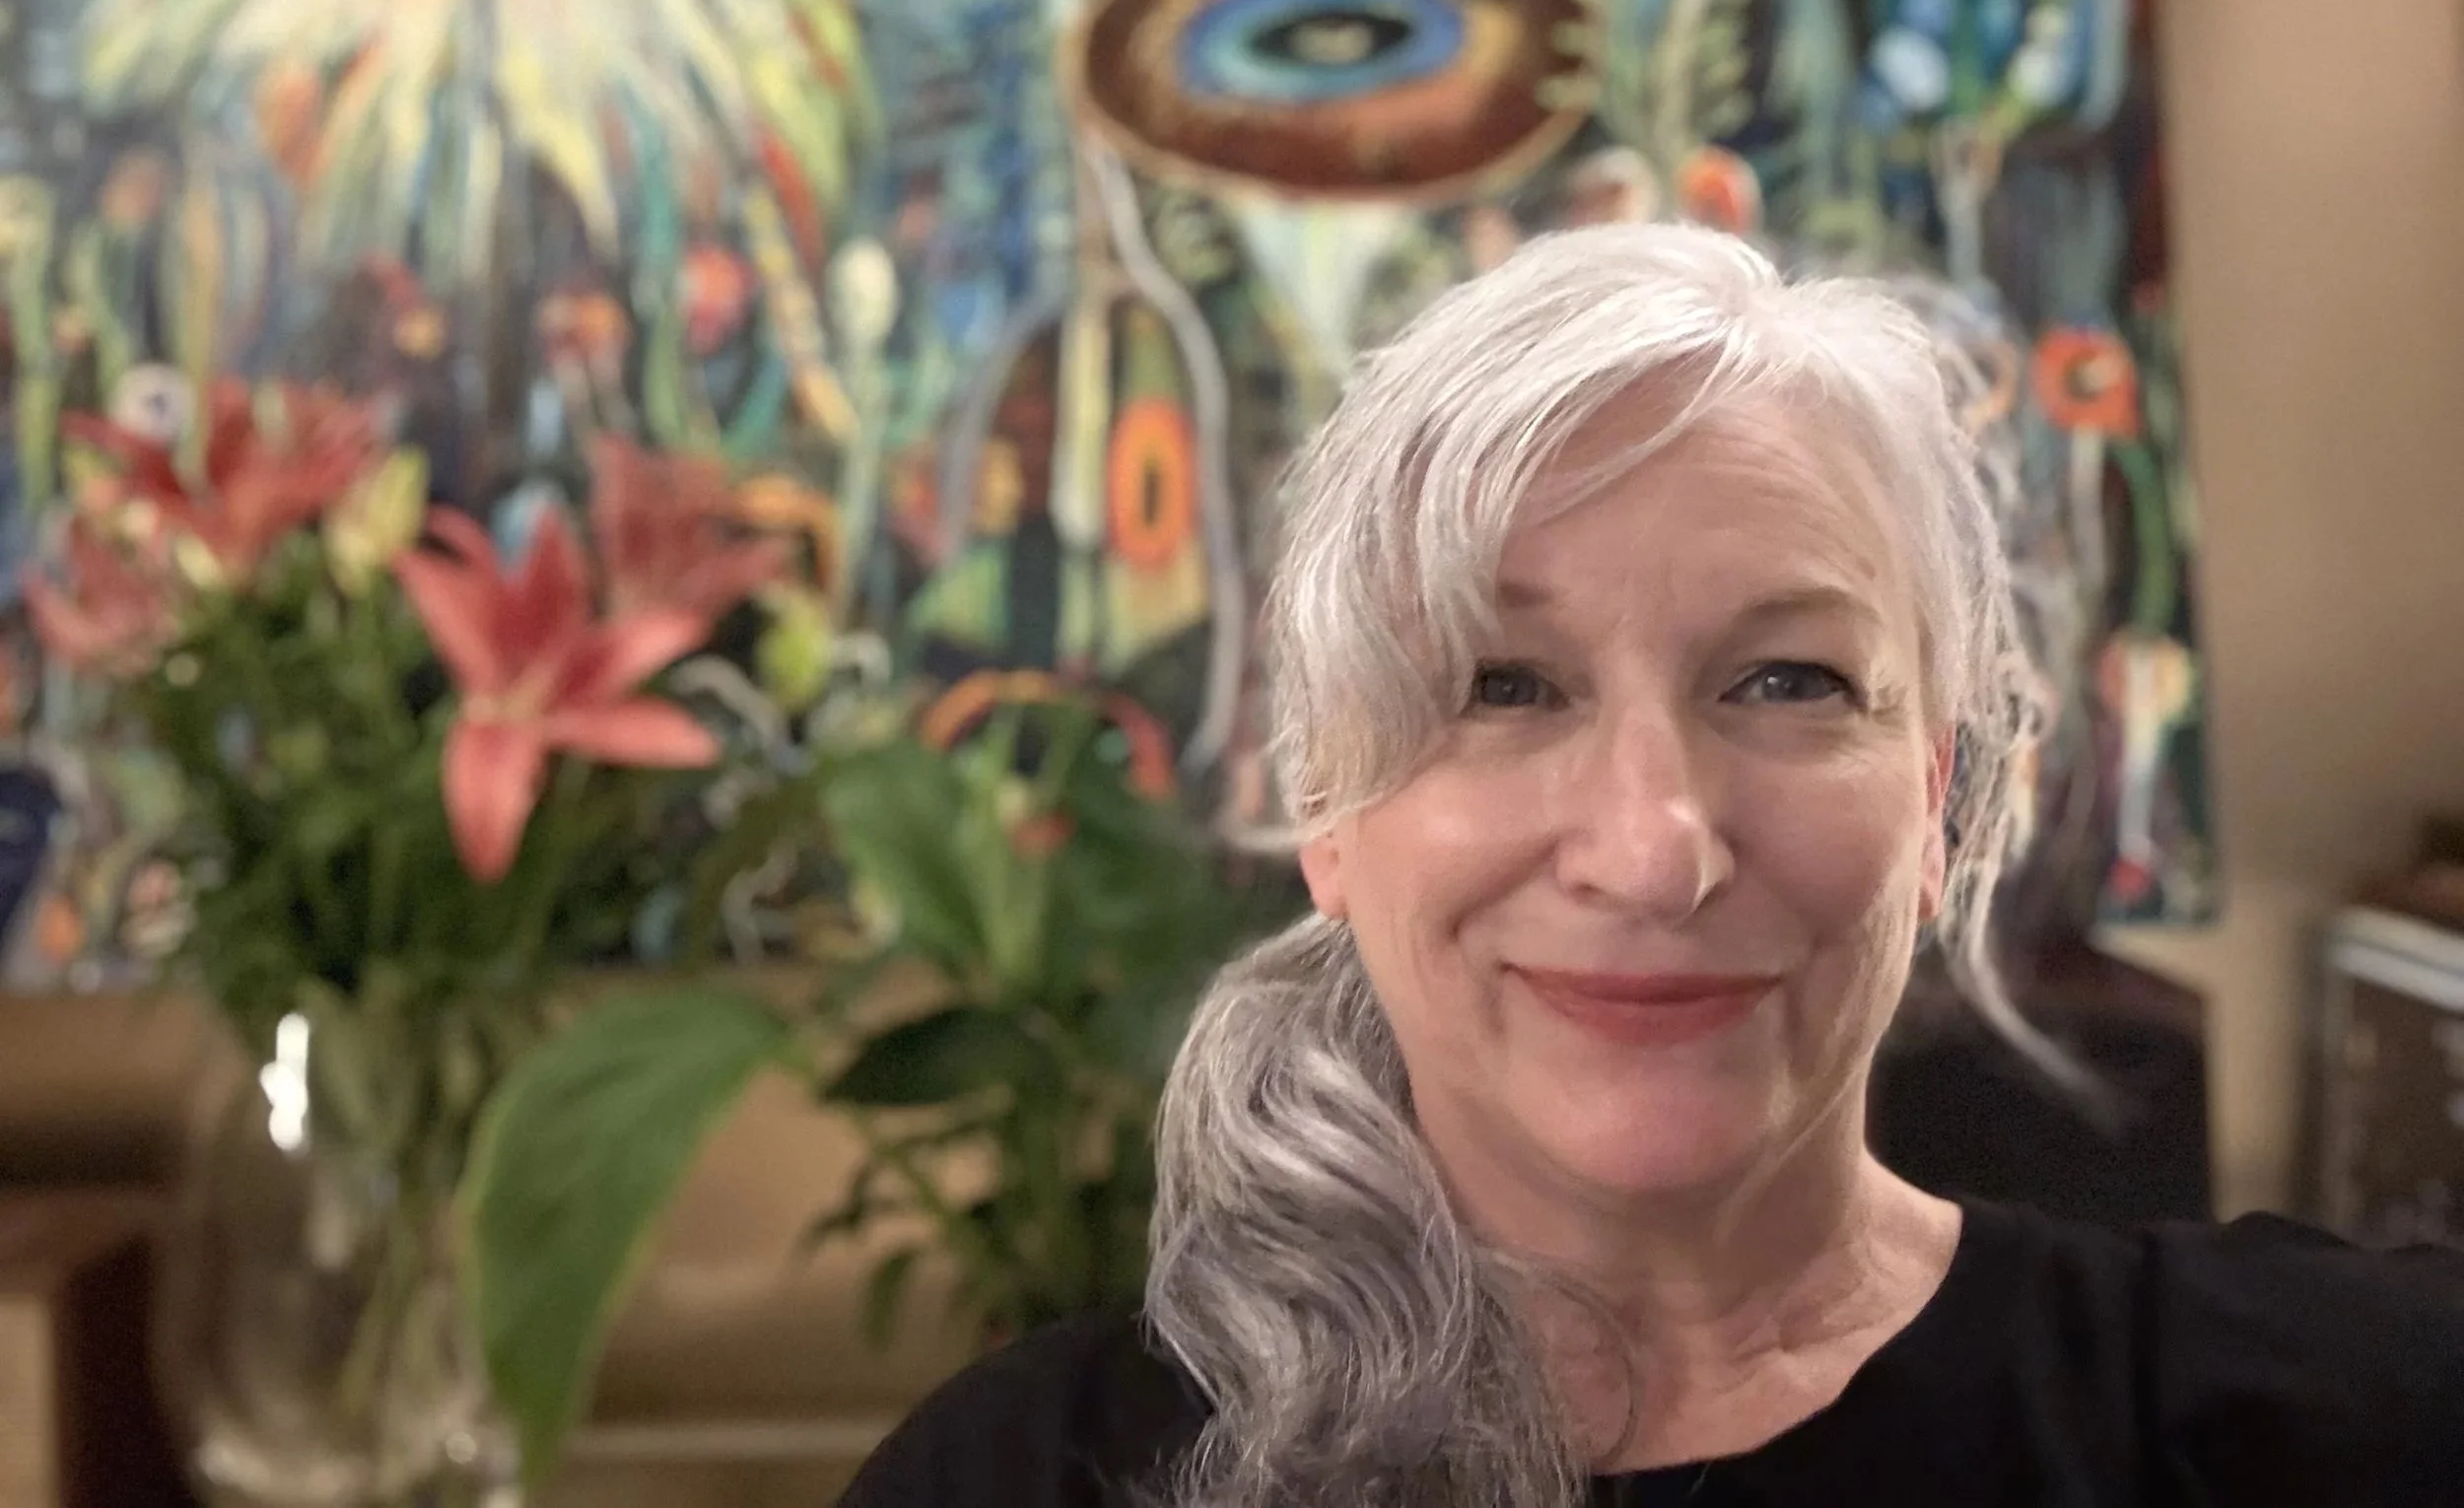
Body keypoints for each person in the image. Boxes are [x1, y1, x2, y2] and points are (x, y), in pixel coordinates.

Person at [839, 225, 2464, 1508]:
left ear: (1938, 795)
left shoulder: (2354, 1422)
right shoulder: (1026, 1477)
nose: (1654, 848)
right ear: (1325, 810)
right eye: (1504, 684)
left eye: (1790, 680)